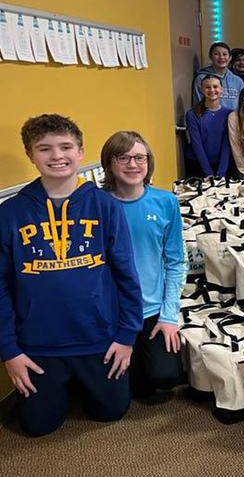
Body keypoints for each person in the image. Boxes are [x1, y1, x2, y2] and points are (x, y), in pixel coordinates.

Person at [0, 114, 143, 437]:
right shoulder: (10, 213)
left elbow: (126, 275)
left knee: (112, 412)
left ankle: (83, 384)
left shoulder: (105, 206)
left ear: (80, 152)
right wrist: (9, 351)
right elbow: (1, 286)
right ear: (30, 155)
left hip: (99, 338)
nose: (56, 156)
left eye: (66, 147)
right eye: (44, 149)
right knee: (37, 426)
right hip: (38, 345)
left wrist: (125, 337)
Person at [100, 131, 186, 399]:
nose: (133, 164)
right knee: (115, 391)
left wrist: (169, 315)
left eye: (139, 157)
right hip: (112, 312)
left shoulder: (166, 202)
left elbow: (175, 262)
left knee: (165, 377)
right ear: (109, 164)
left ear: (148, 162)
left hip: (152, 310)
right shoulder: (97, 204)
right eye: (123, 157)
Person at [184, 74, 233, 178]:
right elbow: (196, 144)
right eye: (207, 87)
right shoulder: (192, 114)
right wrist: (208, 173)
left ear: (222, 90)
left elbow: (226, 144)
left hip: (222, 166)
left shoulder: (229, 114)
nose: (212, 90)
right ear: (202, 90)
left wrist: (221, 173)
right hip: (198, 165)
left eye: (215, 86)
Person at [192, 42, 244, 110]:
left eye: (224, 54)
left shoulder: (238, 81)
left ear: (230, 57)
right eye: (216, 54)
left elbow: (243, 105)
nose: (221, 57)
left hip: (233, 119)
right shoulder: (201, 79)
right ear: (210, 56)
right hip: (210, 119)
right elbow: (198, 105)